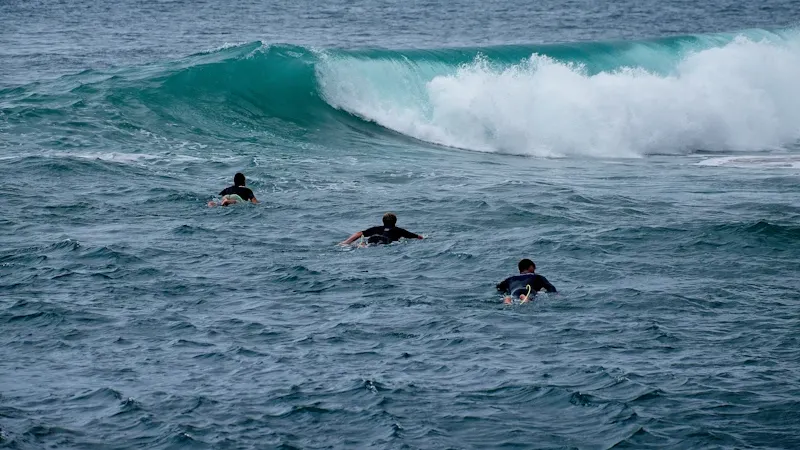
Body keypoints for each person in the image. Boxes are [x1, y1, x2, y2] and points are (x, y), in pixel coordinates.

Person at [340, 213, 423, 246]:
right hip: (386, 241)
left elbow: (358, 233)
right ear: (395, 222)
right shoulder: (399, 230)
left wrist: (346, 242)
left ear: (383, 221)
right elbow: (417, 237)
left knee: (366, 244)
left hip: (373, 239)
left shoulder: (376, 228)